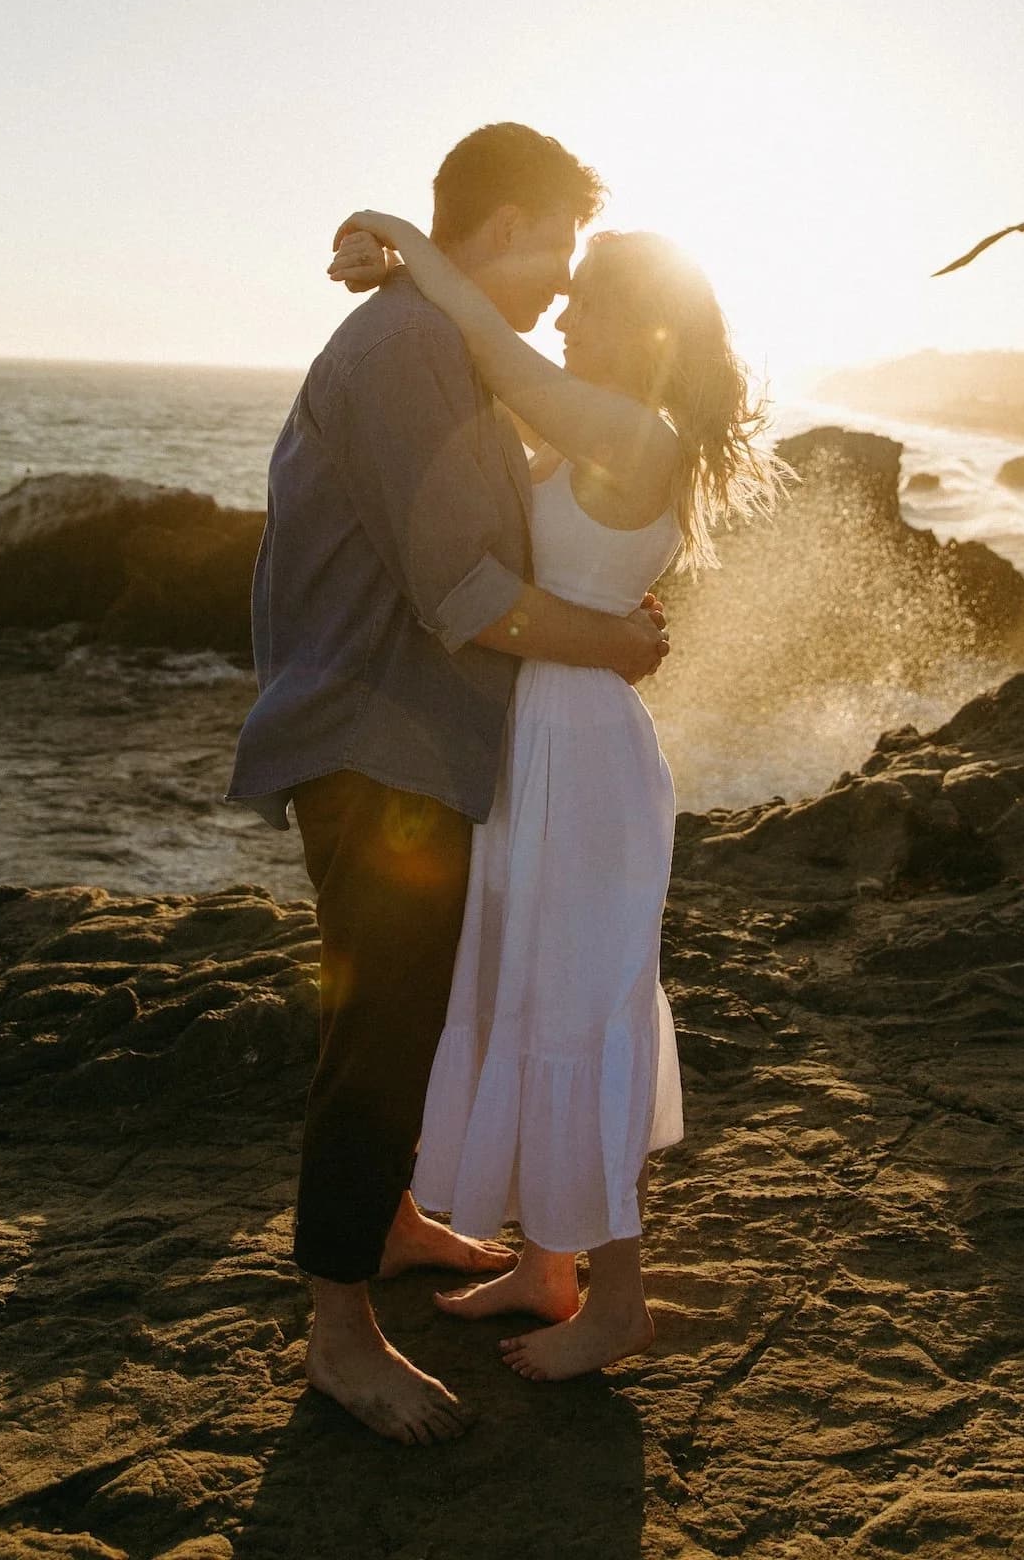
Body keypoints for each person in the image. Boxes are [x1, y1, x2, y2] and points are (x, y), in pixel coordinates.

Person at [227, 124, 671, 1446]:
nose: (564, 281)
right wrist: (618, 644)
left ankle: (392, 1221)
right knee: (378, 1031)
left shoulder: (441, 339)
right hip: (375, 744)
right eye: (558, 248)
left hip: (413, 743)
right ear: (506, 225)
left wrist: (401, 242)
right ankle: (338, 1332)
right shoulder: (408, 350)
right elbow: (466, 592)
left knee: (415, 1012)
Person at [328, 208, 775, 1381]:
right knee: (533, 996)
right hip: (536, 736)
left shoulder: (631, 429)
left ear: (642, 324)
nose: (565, 317)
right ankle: (547, 1267)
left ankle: (618, 1305)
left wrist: (409, 245)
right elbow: (470, 414)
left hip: (578, 753)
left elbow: (489, 351)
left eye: (588, 303)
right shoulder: (598, 429)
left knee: (581, 1008)